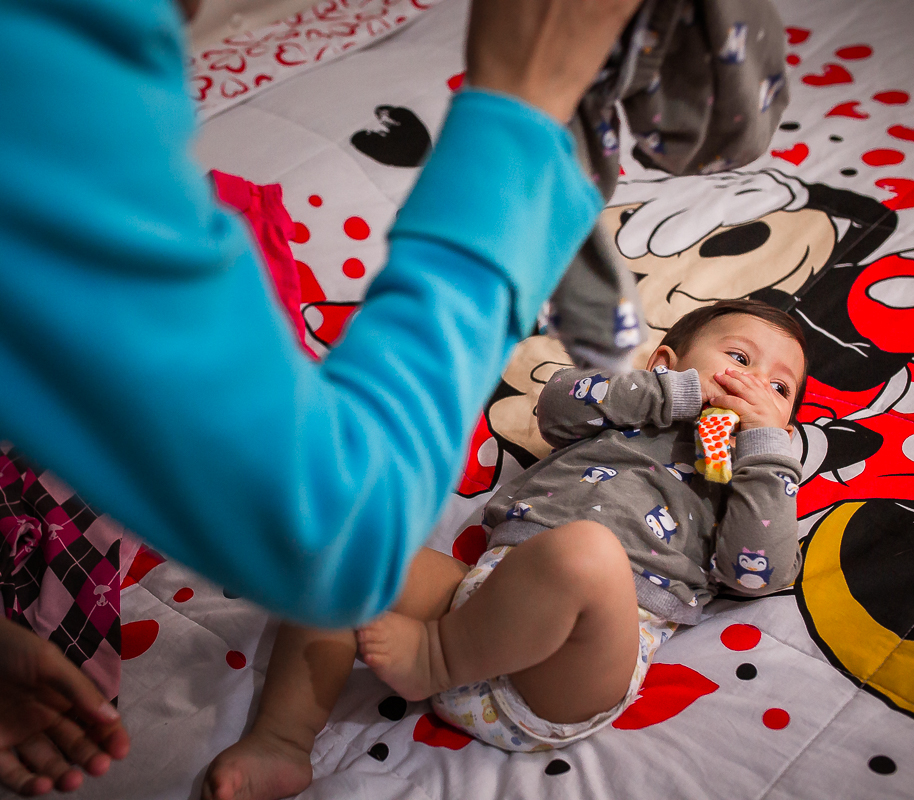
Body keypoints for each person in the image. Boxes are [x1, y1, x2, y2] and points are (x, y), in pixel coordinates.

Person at [0, 0, 647, 794]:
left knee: (585, 561)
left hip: (598, 613)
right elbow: (334, 533)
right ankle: (286, 734)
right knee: (471, 568)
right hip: (500, 573)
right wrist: (520, 114)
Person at [204, 299, 805, 797]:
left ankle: (437, 657)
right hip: (485, 595)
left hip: (578, 663)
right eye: (738, 358)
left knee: (587, 554)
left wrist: (764, 456)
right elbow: (556, 405)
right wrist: (667, 396)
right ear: (667, 363)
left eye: (780, 388)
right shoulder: (632, 410)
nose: (755, 383)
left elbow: (759, 571)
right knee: (347, 552)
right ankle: (282, 740)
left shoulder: (746, 478)